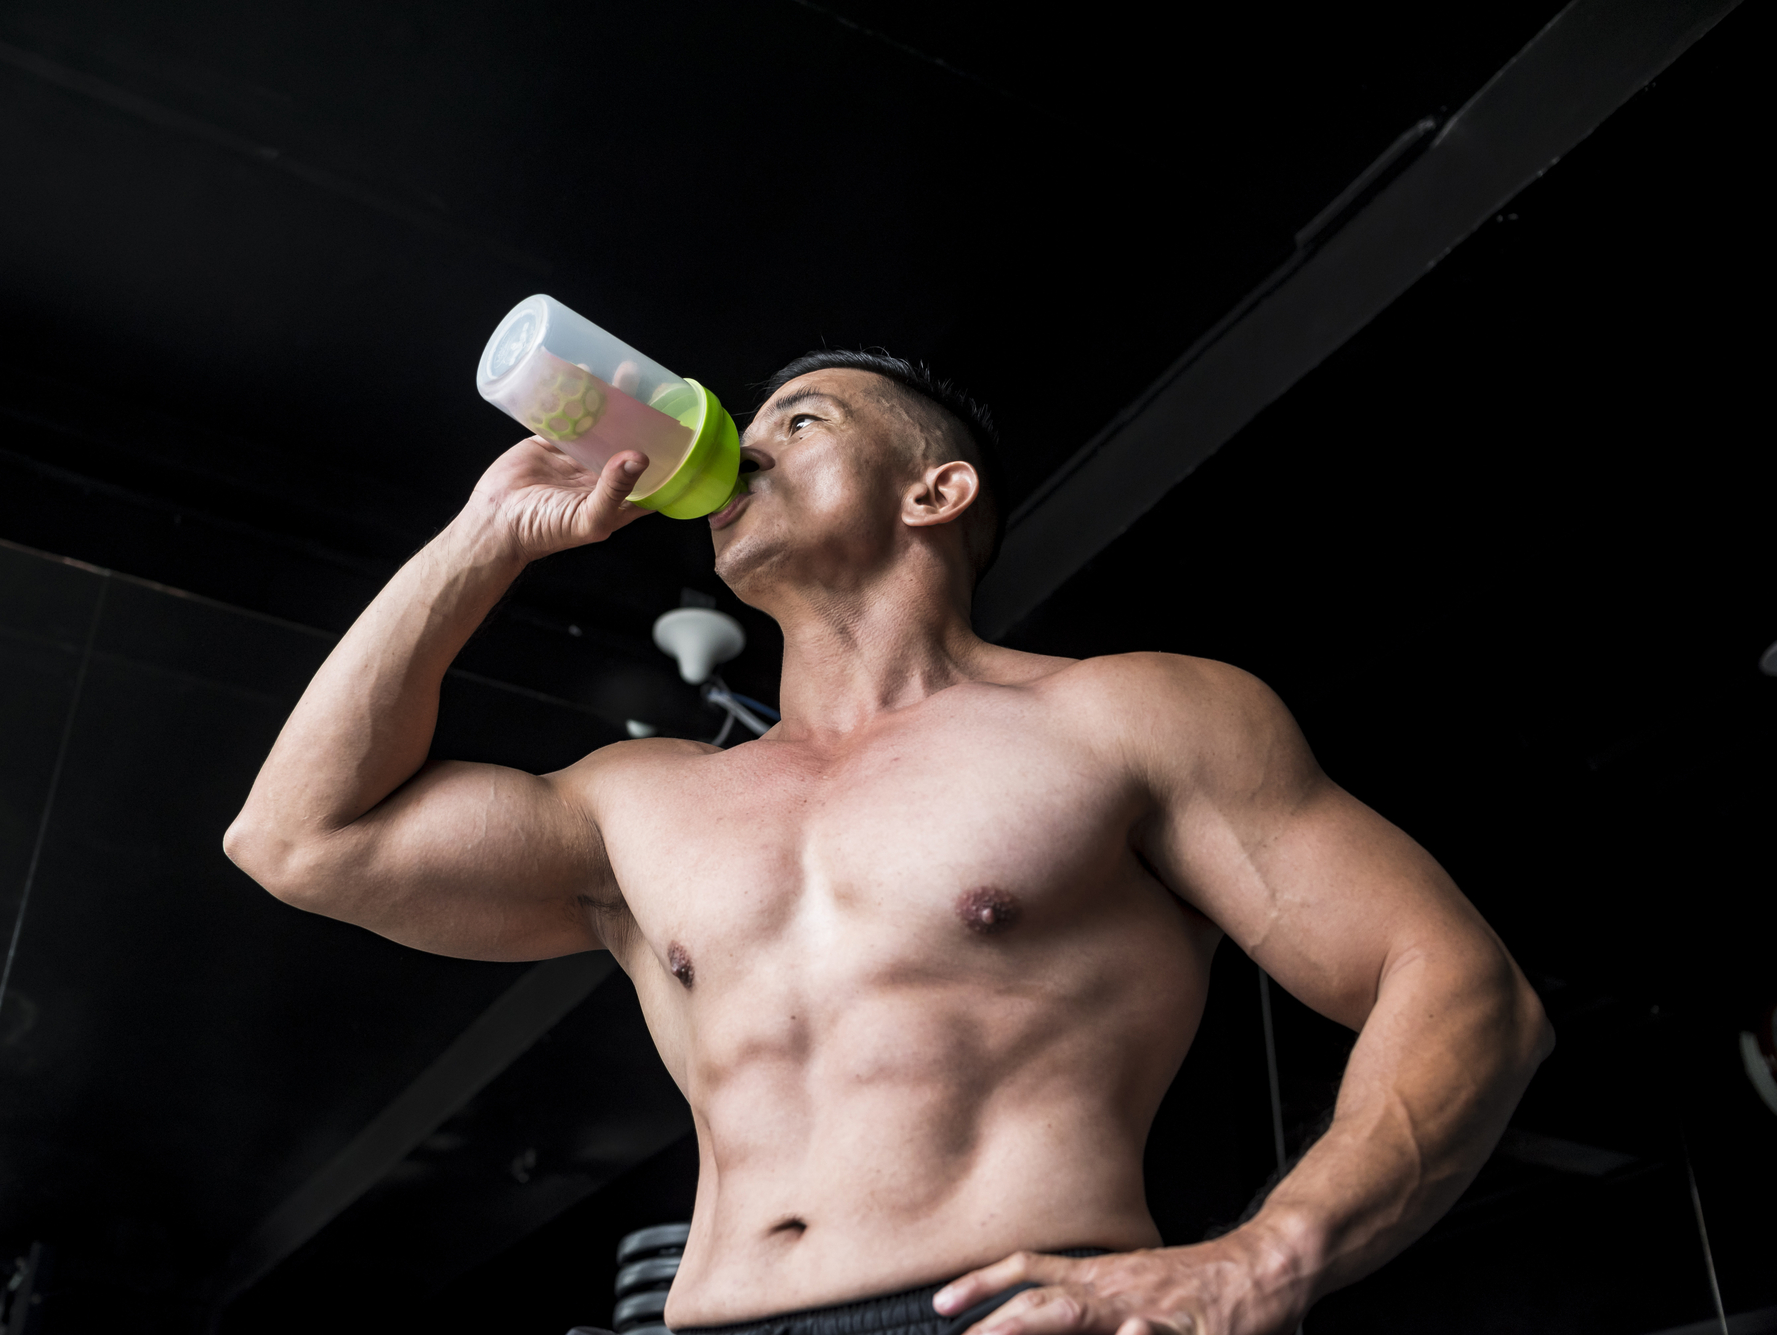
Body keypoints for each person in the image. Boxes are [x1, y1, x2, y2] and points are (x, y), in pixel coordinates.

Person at [224, 350, 1553, 1335]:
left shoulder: (1126, 718)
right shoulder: (642, 796)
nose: (741, 452)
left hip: (1004, 1313)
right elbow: (301, 840)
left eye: (797, 422)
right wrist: (482, 542)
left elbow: (1456, 981)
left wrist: (1267, 1256)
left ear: (937, 488)